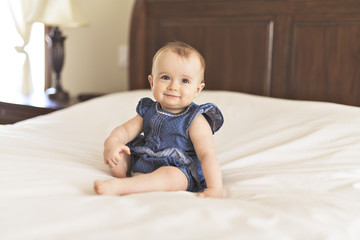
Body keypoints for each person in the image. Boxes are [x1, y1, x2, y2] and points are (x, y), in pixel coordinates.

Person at [94, 41, 224, 198]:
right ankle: (124, 171)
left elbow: (207, 155)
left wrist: (214, 188)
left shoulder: (195, 119)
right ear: (152, 81)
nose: (173, 87)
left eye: (184, 81)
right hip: (145, 158)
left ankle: (123, 186)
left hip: (179, 169)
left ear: (197, 89)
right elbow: (126, 130)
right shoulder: (148, 110)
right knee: (121, 153)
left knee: (172, 176)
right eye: (165, 77)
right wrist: (113, 142)